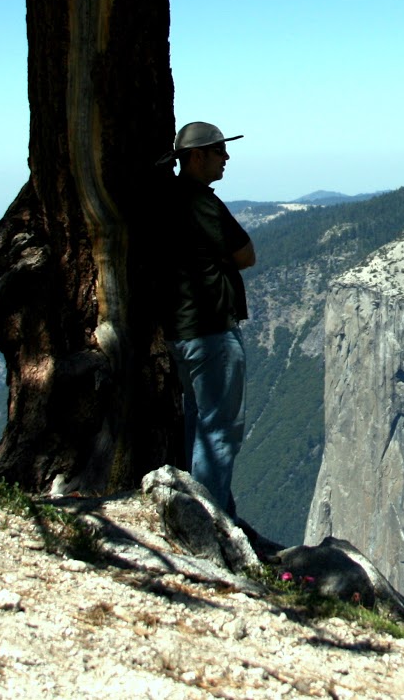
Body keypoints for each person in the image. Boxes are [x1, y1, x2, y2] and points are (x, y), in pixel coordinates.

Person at [159, 121, 256, 516]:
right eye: (219, 150)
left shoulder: (165, 198)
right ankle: (206, 521)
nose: (226, 157)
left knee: (197, 424)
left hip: (180, 333)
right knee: (219, 432)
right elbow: (246, 255)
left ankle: (206, 511)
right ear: (196, 156)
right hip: (211, 331)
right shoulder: (201, 202)